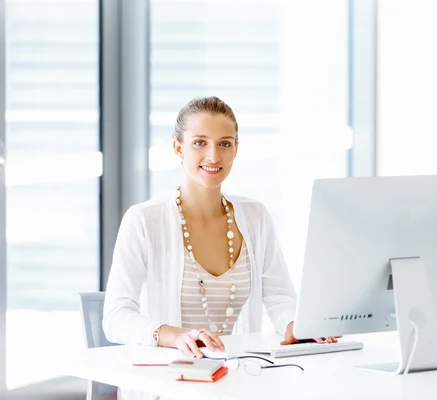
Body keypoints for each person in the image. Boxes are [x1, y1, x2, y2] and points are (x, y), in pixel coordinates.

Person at [102, 96, 336, 364]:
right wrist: (177, 336)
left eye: (224, 144)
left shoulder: (255, 216)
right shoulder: (144, 220)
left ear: (236, 149)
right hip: (167, 378)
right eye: (199, 143)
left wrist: (296, 325)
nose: (213, 156)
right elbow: (116, 316)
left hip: (238, 377)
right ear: (178, 148)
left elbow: (280, 298)